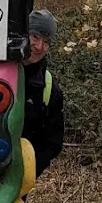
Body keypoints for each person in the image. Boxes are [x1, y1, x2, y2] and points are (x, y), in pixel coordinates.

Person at [22, 9, 65, 177]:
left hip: (15, 182)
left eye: (46, 41)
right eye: (35, 36)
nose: (39, 46)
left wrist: (27, 172)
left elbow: (52, 142)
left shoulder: (49, 89)